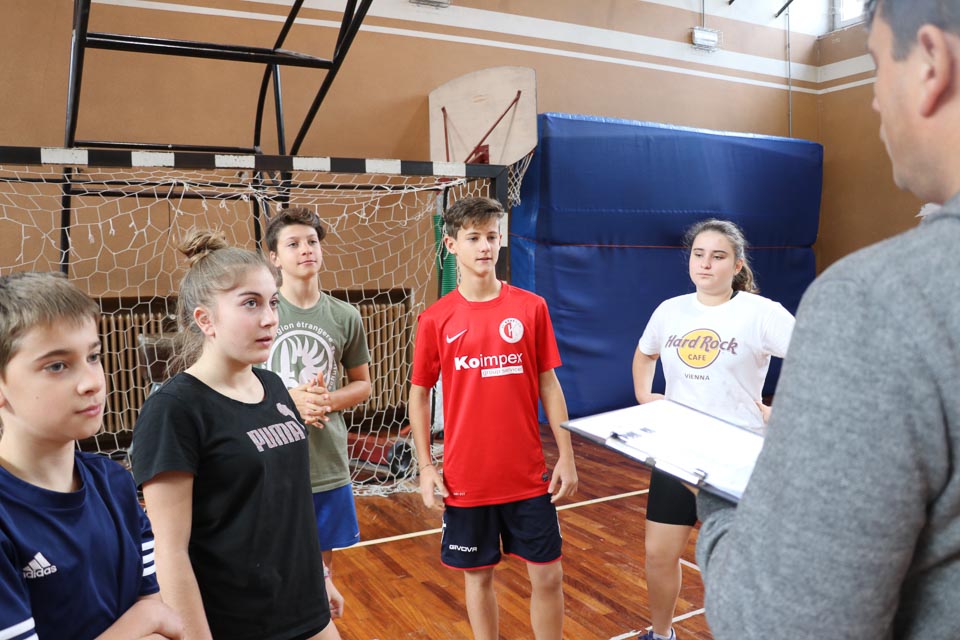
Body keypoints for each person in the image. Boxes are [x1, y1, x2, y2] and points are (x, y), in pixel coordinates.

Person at [694, 1, 960, 638]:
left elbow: (781, 624)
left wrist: (721, 500)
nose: (874, 100)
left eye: (876, 66)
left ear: (931, 62)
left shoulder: (875, 304)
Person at [131, 230, 344, 640]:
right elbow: (169, 551)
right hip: (236, 622)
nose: (269, 318)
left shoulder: (274, 386)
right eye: (250, 303)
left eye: (272, 302)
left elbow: (291, 501)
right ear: (205, 320)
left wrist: (320, 576)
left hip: (305, 608)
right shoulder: (174, 410)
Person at [409, 196, 579, 640]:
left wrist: (566, 455)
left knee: (549, 576)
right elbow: (419, 395)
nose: (485, 246)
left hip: (527, 476)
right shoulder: (435, 319)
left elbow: (549, 385)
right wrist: (426, 466)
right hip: (467, 480)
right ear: (451, 244)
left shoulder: (531, 307)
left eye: (491, 236)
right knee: (478, 577)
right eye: (473, 238)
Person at [632, 219, 794, 640]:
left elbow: (819, 358)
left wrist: (785, 411)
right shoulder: (670, 310)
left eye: (718, 256)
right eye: (698, 254)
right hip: (676, 453)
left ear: (737, 265)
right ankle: (662, 634)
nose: (705, 264)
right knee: (658, 555)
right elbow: (645, 353)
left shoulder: (762, 313)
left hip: (736, 459)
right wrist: (645, 396)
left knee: (736, 567)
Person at [0, 272, 182, 640]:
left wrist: (151, 615)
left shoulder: (115, 483)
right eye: (57, 365)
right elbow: (154, 618)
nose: (92, 382)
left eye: (93, 357)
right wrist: (145, 620)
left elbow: (159, 613)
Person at [262, 206, 372, 572]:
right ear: (274, 257)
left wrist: (327, 400)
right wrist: (288, 401)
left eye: (312, 241)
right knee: (275, 565)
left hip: (326, 460)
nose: (306, 249)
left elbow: (362, 385)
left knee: (320, 572)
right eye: (293, 244)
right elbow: (236, 383)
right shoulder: (261, 313)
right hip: (270, 458)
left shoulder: (345, 316)